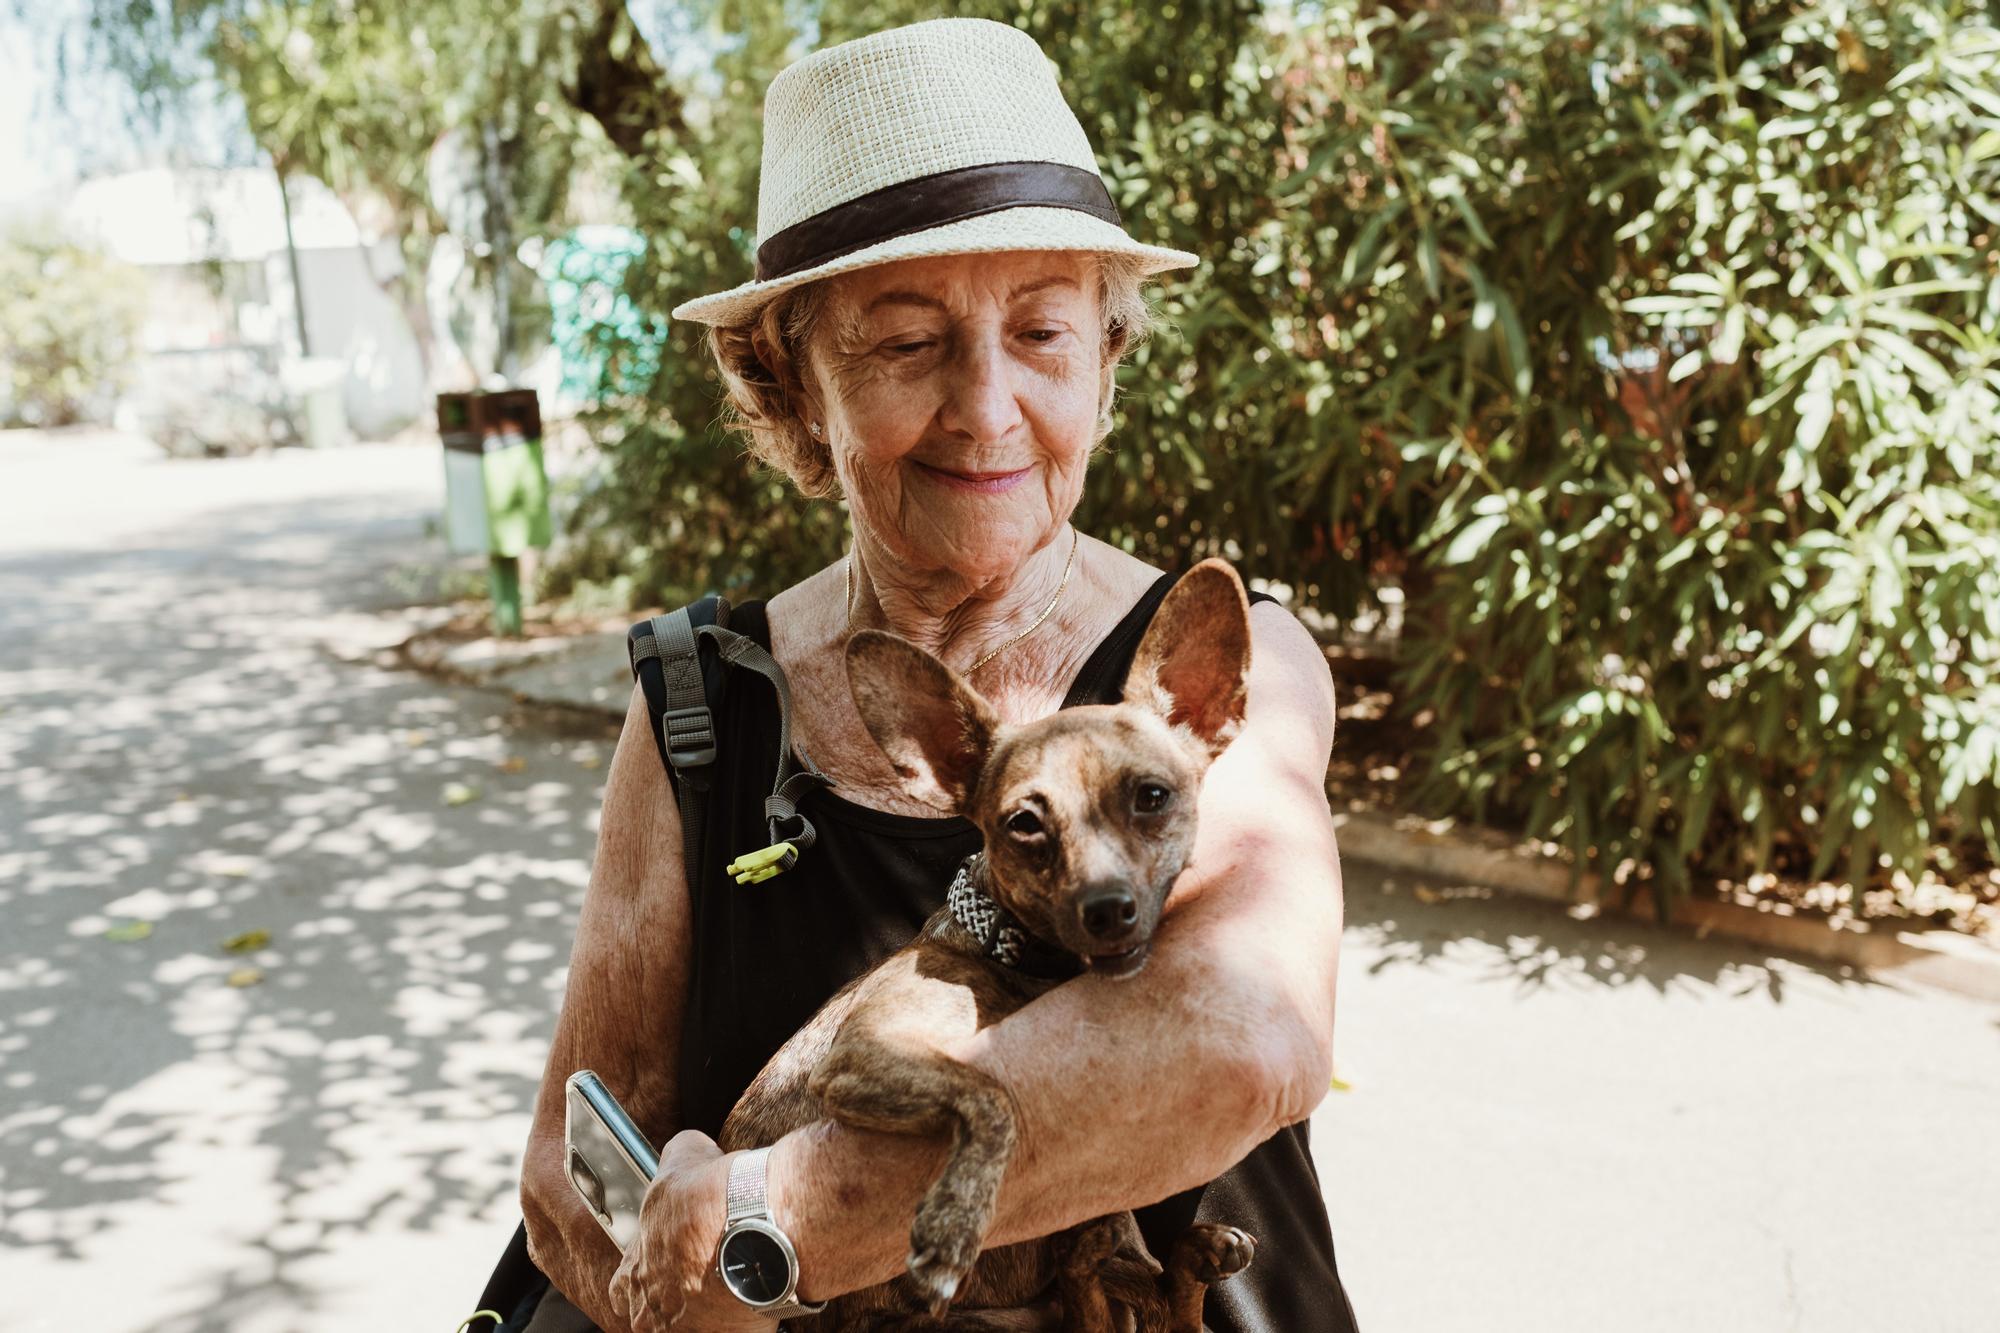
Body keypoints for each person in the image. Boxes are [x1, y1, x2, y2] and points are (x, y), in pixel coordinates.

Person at [517, 17, 1355, 1331]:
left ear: (1107, 360)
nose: (983, 406)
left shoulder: (1219, 673)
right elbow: (579, 1177)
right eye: (906, 344)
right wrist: (679, 1266)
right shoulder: (701, 708)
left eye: (1042, 333)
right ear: (789, 388)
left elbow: (1237, 1041)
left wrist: (761, 1224)